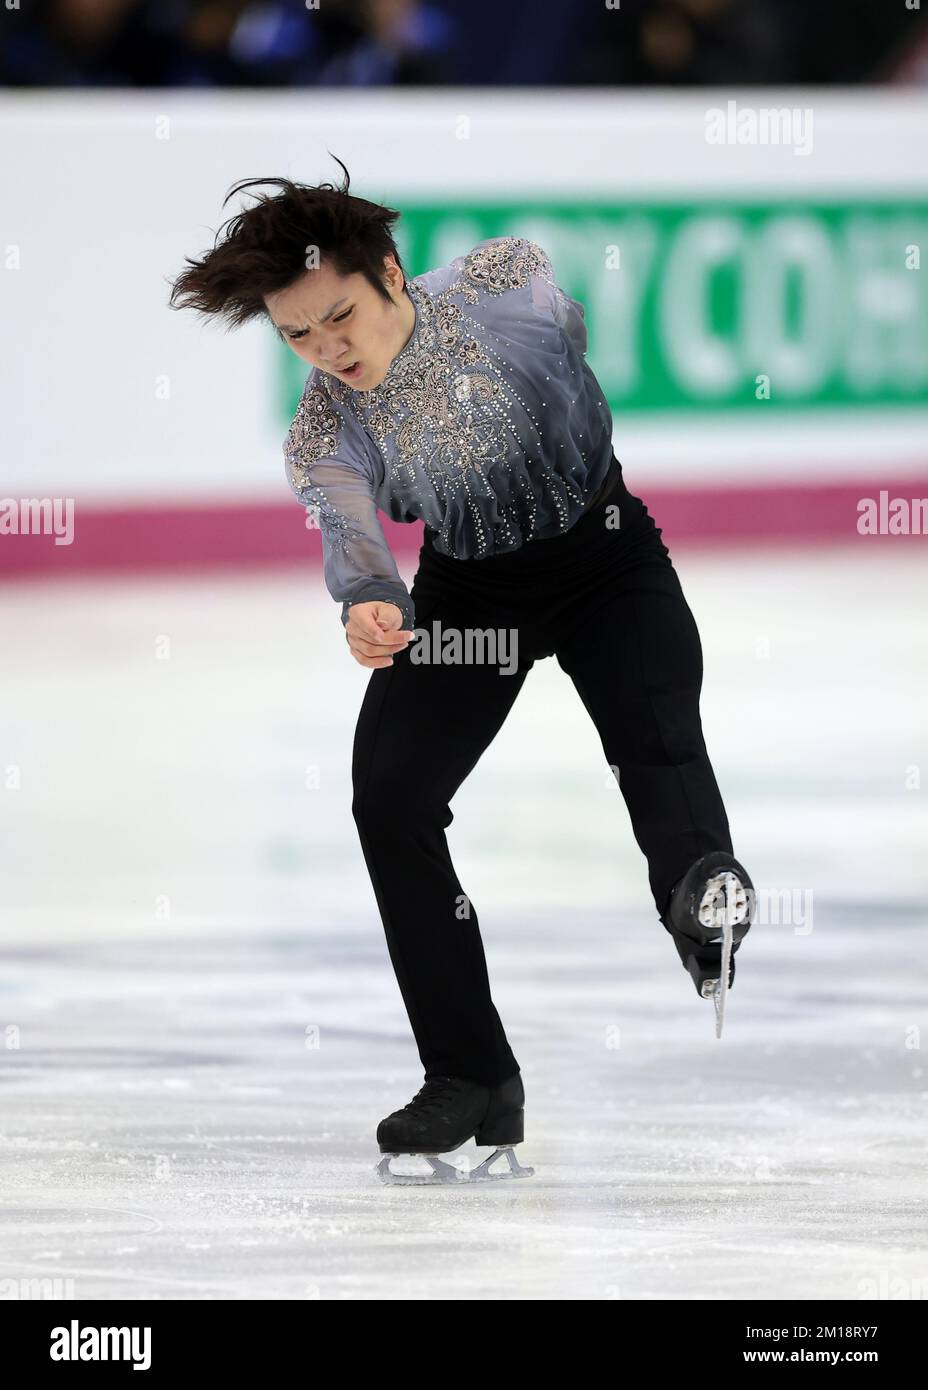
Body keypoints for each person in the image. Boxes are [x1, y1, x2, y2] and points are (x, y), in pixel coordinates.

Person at [169, 160, 755, 1184]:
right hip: (470, 597)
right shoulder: (323, 428)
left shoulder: (506, 298)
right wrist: (369, 601)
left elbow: (548, 310)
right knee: (388, 797)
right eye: (298, 335)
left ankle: (700, 896)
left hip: (606, 560)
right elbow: (348, 523)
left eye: (338, 317)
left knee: (654, 736)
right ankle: (472, 1076)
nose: (326, 350)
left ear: (391, 275)